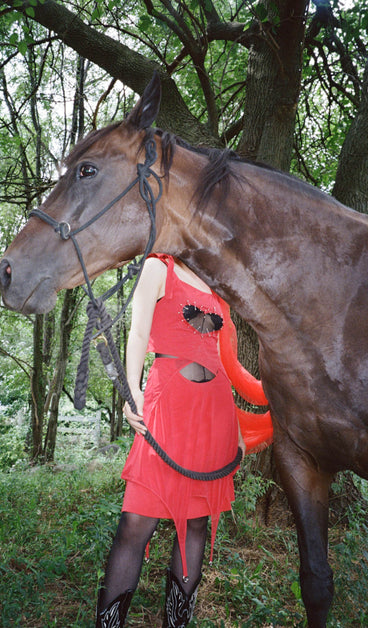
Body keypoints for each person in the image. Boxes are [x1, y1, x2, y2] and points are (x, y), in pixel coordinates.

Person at [96, 254, 246, 628]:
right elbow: (138, 331)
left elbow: (229, 361)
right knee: (136, 522)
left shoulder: (219, 285)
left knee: (194, 524)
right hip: (167, 406)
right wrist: (134, 390)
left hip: (215, 414)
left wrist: (240, 430)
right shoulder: (157, 267)